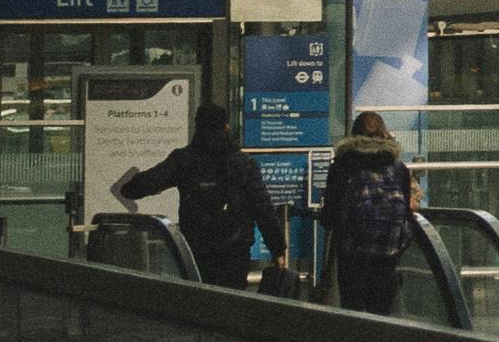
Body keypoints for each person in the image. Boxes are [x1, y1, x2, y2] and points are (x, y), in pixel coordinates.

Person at [117, 101, 286, 292]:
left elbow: (138, 186)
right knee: (232, 303)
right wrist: (278, 249)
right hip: (234, 253)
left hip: (196, 250)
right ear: (226, 127)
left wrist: (134, 185)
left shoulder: (183, 160)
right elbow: (263, 209)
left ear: (198, 127)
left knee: (197, 300)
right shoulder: (244, 164)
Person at [320, 107, 416, 314]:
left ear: (353, 135)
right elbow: (408, 217)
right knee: (380, 319)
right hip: (387, 261)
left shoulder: (342, 166)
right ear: (384, 133)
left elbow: (329, 218)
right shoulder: (398, 169)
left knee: (353, 318)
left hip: (352, 261)